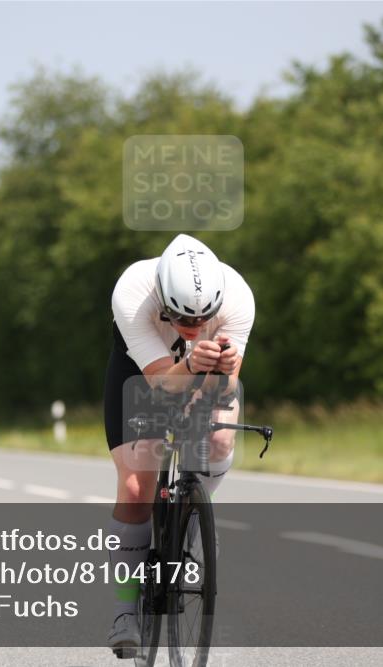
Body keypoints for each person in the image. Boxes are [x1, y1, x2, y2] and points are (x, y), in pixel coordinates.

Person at [103, 234, 255, 655]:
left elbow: (225, 388)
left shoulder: (239, 297)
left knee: (219, 437)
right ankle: (124, 611)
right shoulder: (133, 292)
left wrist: (223, 372)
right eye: (181, 319)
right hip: (142, 375)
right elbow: (159, 383)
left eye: (203, 319)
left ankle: (194, 515)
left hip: (199, 371)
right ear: (162, 300)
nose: (192, 327)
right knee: (136, 487)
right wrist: (189, 362)